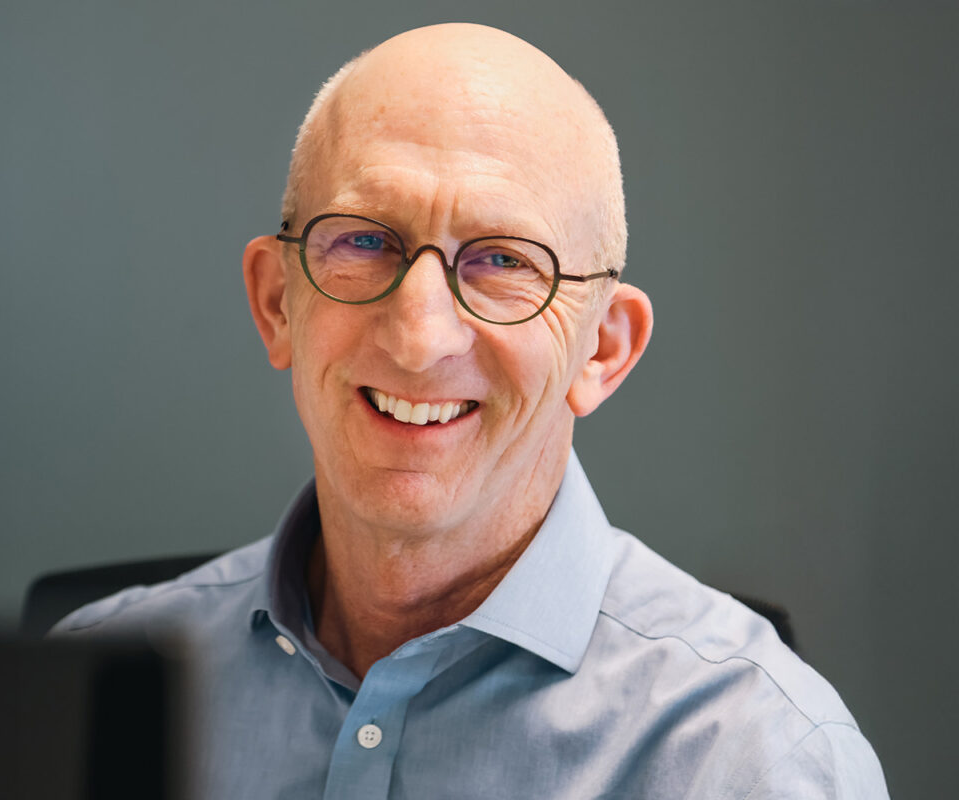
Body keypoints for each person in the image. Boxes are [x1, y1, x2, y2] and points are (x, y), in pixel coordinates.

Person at [54, 23, 890, 799]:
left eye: (500, 260)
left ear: (601, 349)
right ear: (278, 303)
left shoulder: (753, 758)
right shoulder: (86, 683)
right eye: (364, 239)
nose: (419, 338)